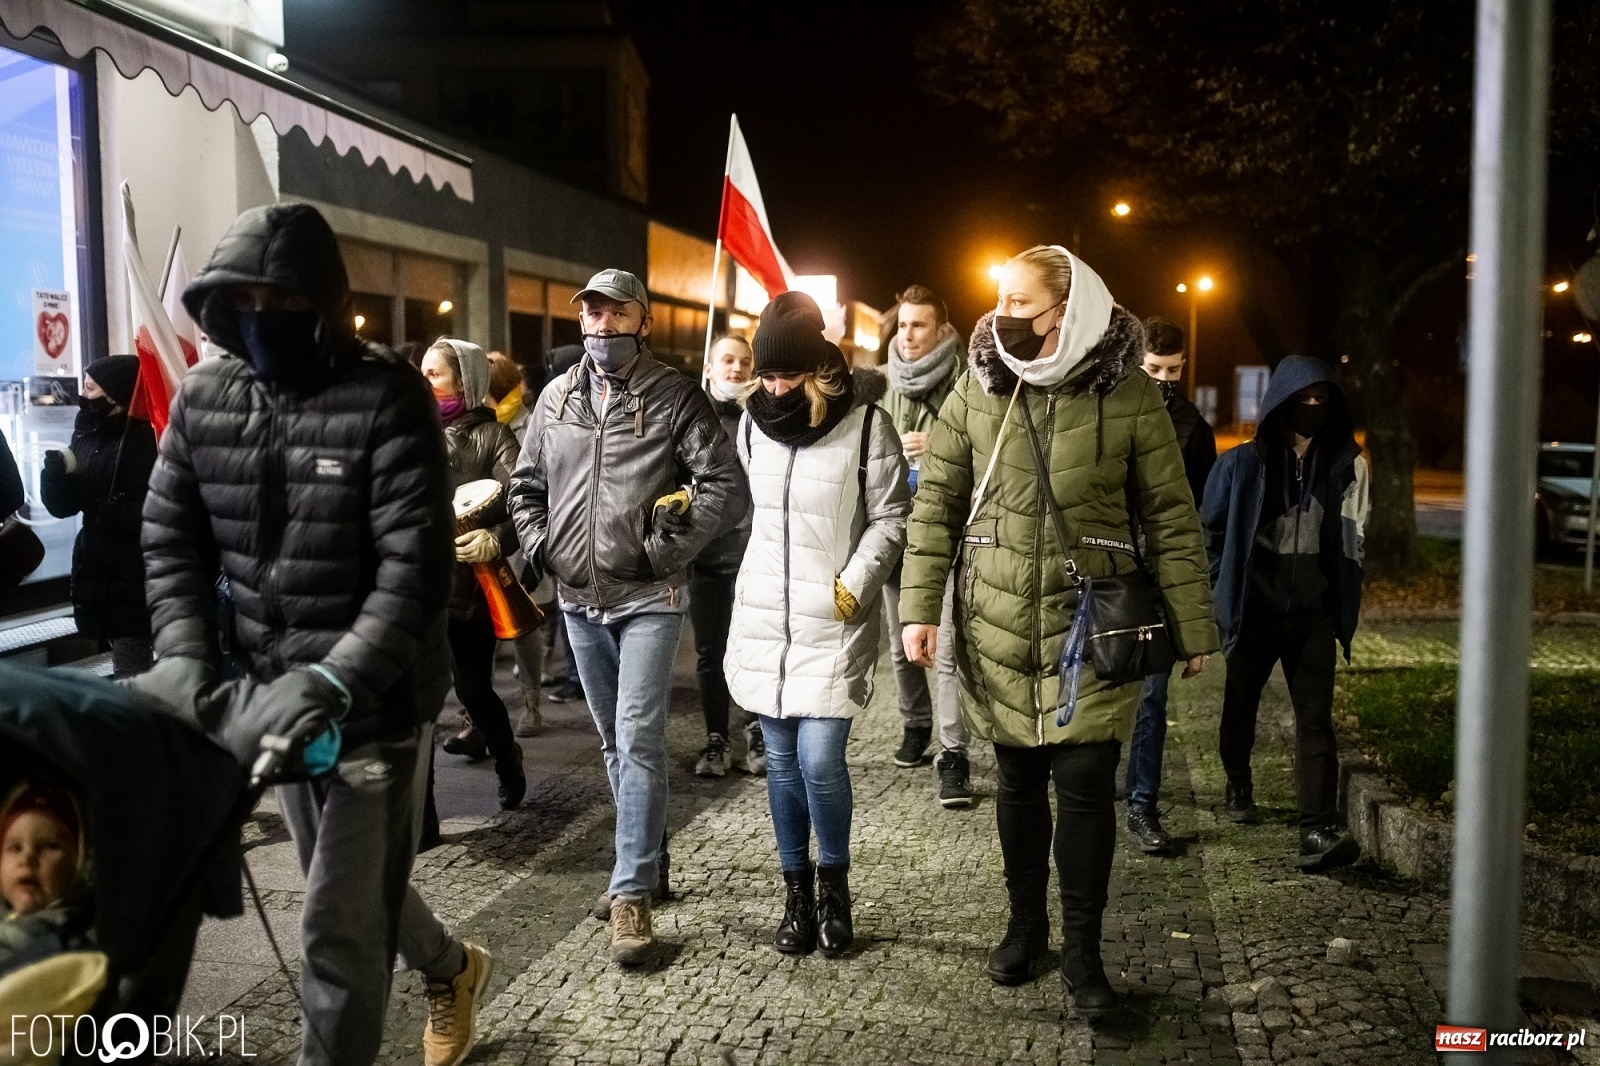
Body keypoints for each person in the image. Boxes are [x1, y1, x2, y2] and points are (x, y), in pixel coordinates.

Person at [139, 204, 491, 1066]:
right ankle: (452, 968)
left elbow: (415, 571)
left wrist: (334, 682)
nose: (261, 314)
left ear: (321, 301)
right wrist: (186, 655)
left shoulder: (387, 397)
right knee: (361, 886)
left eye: (281, 297)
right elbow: (170, 539)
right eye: (243, 298)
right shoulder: (203, 398)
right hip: (271, 695)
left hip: (376, 708)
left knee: (335, 924)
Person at [900, 245, 1218, 1017]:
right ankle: (1024, 927)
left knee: (1083, 791)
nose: (1002, 316)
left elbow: (1171, 518)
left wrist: (1194, 624)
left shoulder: (1131, 395)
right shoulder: (977, 390)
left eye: (1021, 303)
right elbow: (937, 503)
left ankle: (1082, 951)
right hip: (998, 622)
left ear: (1067, 313)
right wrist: (917, 607)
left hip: (1094, 627)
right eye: (999, 299)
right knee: (1015, 781)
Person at [508, 269, 748, 967]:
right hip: (580, 603)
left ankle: (631, 893)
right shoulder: (555, 397)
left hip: (650, 596)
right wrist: (542, 544)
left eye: (617, 314)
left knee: (637, 738)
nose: (601, 325)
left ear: (642, 321)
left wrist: (668, 545)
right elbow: (526, 485)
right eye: (592, 313)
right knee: (616, 744)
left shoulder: (674, 395)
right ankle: (651, 860)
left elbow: (724, 485)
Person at [724, 293, 909, 957]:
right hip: (767, 620)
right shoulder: (749, 425)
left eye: (788, 376)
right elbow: (746, 512)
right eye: (766, 375)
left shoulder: (866, 426)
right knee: (780, 762)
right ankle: (795, 894)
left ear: (817, 368)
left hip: (833, 615)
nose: (774, 387)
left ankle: (835, 888)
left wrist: (857, 583)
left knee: (820, 758)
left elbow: (892, 517)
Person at [1201, 354, 1368, 873]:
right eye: (1303, 400)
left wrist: (1345, 605)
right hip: (1257, 612)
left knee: (1315, 722)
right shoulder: (1241, 465)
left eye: (1323, 400)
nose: (1313, 409)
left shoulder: (1344, 468)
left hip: (1313, 616)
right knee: (1241, 707)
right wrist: (1219, 594)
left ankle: (1316, 827)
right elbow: (1210, 534)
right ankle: (1238, 781)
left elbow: (1352, 543)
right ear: (1280, 403)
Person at [1122, 318, 1218, 854]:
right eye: (1153, 369)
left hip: (1157, 579)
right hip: (1108, 574)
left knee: (1152, 700)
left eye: (1174, 370)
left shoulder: (1193, 428)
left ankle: (1142, 803)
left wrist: (1194, 618)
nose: (1164, 379)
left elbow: (1193, 528)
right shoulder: (1107, 412)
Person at [424, 339, 527, 811]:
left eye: (435, 374)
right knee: (418, 697)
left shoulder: (496, 437)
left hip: (468, 585)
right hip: (416, 581)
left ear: (464, 383)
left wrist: (497, 538)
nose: (424, 383)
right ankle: (420, 812)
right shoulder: (411, 430)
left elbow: (523, 502)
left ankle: (507, 755)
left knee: (472, 688)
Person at [880, 285, 971, 807]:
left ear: (941, 329)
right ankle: (915, 725)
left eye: (919, 325)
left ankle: (952, 752)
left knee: (949, 648)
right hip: (896, 528)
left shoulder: (968, 380)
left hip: (949, 533)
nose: (908, 334)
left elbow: (986, 449)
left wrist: (941, 446)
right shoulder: (880, 381)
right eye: (903, 324)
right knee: (900, 646)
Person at [38, 356, 159, 679]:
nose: (83, 395)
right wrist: (55, 478)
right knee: (118, 654)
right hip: (95, 564)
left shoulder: (148, 438)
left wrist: (122, 515)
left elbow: (169, 504)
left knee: (132, 661)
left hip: (137, 569)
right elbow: (64, 506)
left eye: (91, 388)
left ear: (116, 396)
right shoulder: (86, 434)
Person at [692, 332, 763, 778]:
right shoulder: (692, 419)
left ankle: (755, 730)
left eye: (744, 362)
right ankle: (716, 737)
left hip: (752, 552)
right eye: (727, 361)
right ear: (709, 368)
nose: (736, 369)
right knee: (709, 651)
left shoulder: (763, 418)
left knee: (752, 648)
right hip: (704, 554)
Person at [488, 349, 546, 738]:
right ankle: (477, 712)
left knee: (524, 624)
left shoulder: (529, 424)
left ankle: (531, 703)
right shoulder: (477, 425)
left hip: (522, 536)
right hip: (484, 534)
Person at [539, 343, 589, 706]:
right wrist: (538, 540)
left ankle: (581, 677)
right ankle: (578, 675)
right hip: (562, 534)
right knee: (568, 612)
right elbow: (532, 479)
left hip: (583, 533)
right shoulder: (553, 408)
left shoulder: (580, 414)